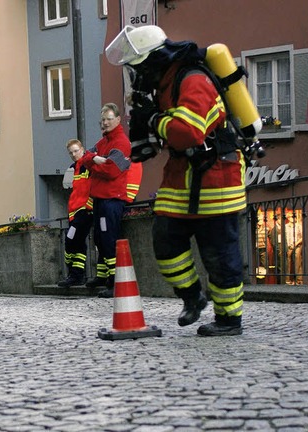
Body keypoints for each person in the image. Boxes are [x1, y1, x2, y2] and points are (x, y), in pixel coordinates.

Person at [109, 25, 246, 336]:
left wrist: (155, 120)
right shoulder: (168, 84)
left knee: (219, 252)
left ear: (152, 62)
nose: (136, 74)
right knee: (165, 239)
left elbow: (188, 132)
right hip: (184, 175)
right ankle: (192, 297)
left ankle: (228, 318)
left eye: (137, 67)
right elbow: (169, 135)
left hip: (215, 178)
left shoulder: (193, 80)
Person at [80, 103, 133, 298]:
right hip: (101, 199)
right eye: (103, 119)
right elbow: (84, 157)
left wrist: (92, 162)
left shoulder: (121, 142)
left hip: (112, 199)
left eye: (109, 119)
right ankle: (103, 276)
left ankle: (115, 281)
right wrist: (94, 159)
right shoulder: (104, 142)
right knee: (101, 239)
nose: (105, 123)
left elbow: (112, 170)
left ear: (118, 119)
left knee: (109, 239)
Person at [57, 139, 93, 288]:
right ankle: (75, 274)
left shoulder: (89, 165)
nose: (73, 154)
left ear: (82, 149)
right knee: (74, 242)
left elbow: (94, 187)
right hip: (75, 211)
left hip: (84, 210)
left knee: (72, 240)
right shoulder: (74, 168)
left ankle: (77, 275)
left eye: (76, 151)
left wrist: (89, 206)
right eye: (71, 153)